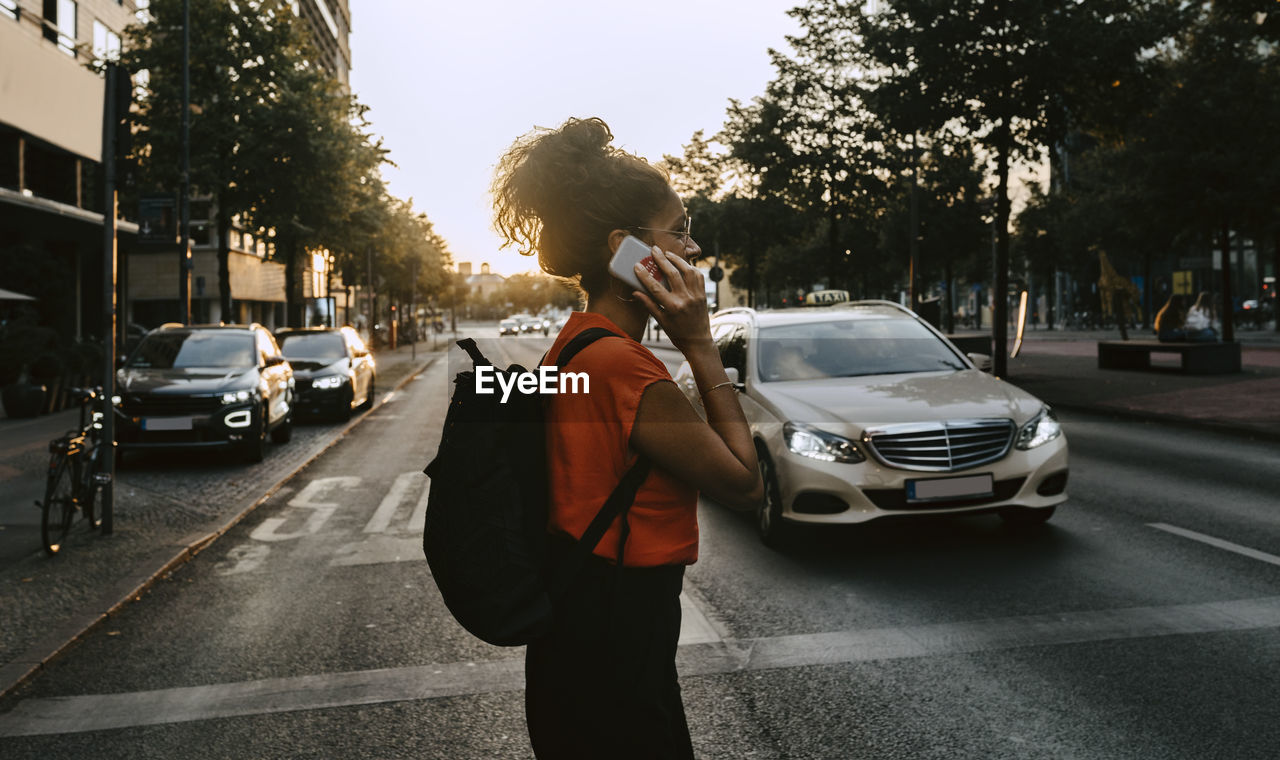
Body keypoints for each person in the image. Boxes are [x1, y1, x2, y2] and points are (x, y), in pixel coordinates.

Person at [491, 116, 763, 759]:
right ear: (626, 249)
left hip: (576, 638)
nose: (693, 250)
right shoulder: (620, 367)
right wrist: (700, 344)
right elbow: (746, 484)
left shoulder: (574, 346)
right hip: (617, 650)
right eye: (680, 230)